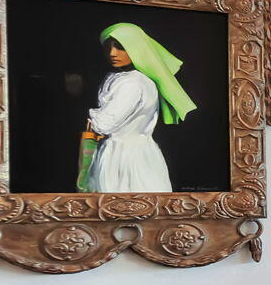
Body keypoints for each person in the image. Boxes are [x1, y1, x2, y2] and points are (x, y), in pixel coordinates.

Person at [80, 22, 197, 192]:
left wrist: (92, 117)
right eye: (108, 47)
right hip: (130, 153)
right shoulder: (120, 78)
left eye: (120, 47)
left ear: (135, 48)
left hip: (126, 158)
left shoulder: (133, 83)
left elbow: (104, 124)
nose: (112, 53)